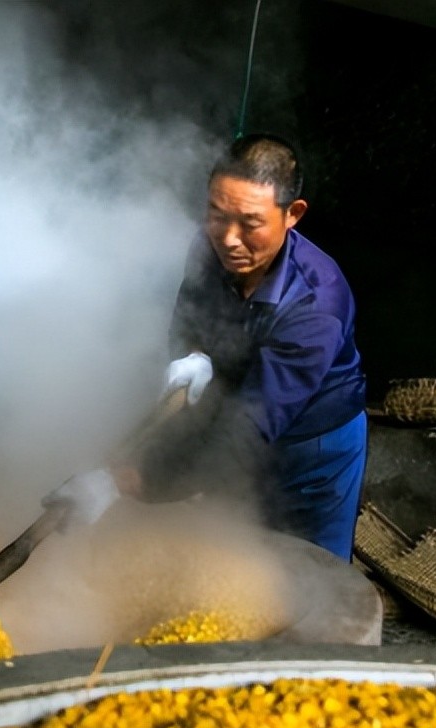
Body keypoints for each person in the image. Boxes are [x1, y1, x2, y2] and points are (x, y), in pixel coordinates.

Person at [45, 133, 367, 561]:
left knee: (313, 570)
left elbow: (247, 432)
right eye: (217, 214)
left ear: (293, 214)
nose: (228, 238)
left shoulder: (316, 304)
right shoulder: (210, 246)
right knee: (235, 556)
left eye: (250, 223)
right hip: (237, 417)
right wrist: (191, 352)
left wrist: (119, 484)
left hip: (311, 450)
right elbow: (191, 314)